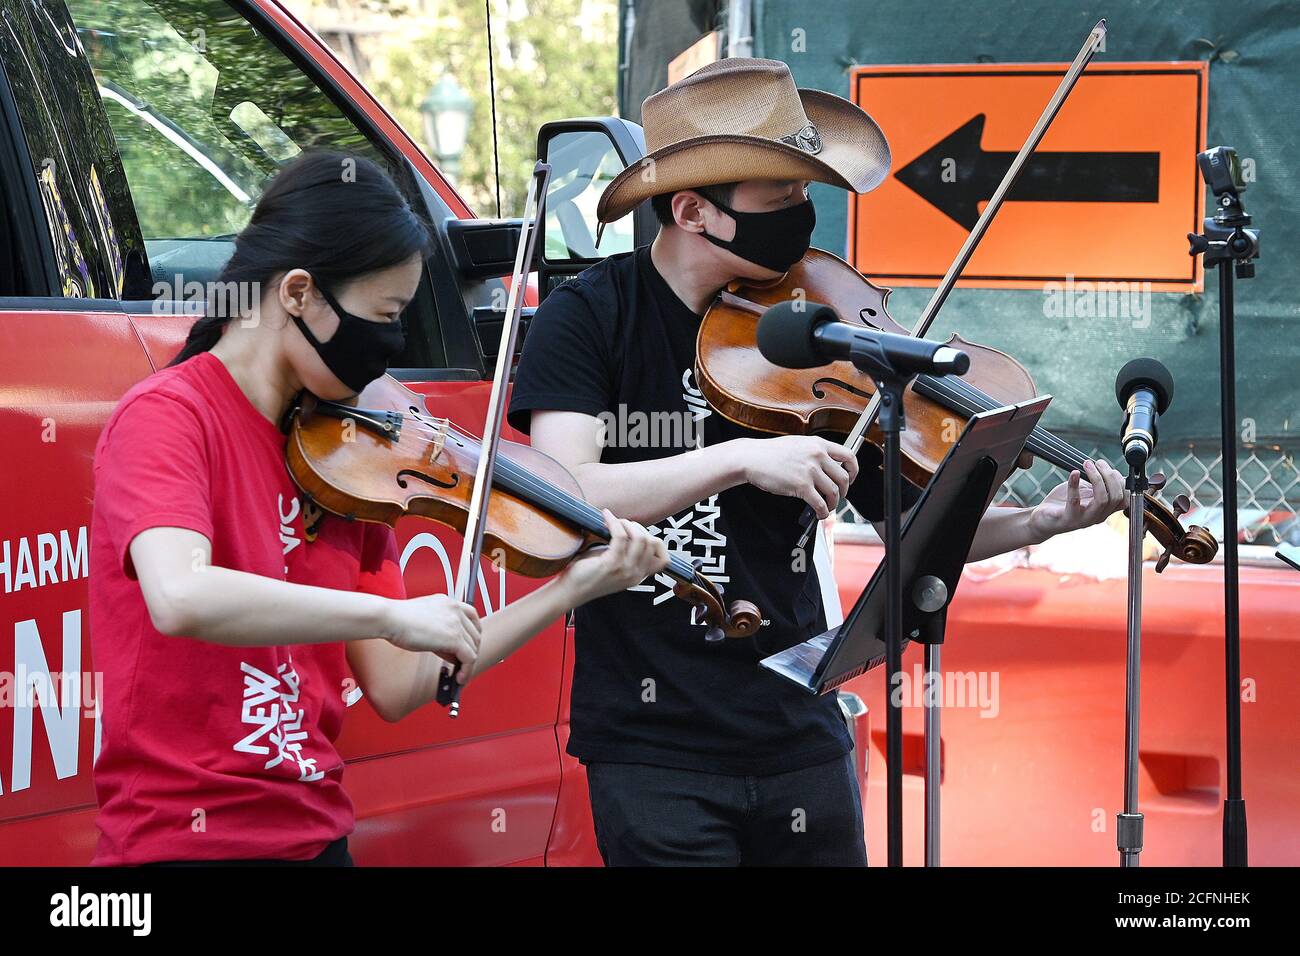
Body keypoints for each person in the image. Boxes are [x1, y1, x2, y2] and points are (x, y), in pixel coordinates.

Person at [507, 58, 1126, 866]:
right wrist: (736, 462)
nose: (804, 217)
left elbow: (911, 529)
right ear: (694, 210)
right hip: (655, 747)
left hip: (799, 728)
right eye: (782, 198)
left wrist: (1037, 521)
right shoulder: (587, 318)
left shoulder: (819, 329)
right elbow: (566, 495)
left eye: (806, 193)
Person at [88, 151, 668, 866]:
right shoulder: (168, 416)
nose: (389, 351)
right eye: (384, 317)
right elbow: (181, 594)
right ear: (299, 292)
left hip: (316, 834)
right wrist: (393, 615)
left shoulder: (346, 461)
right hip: (183, 841)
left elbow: (398, 684)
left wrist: (569, 589)